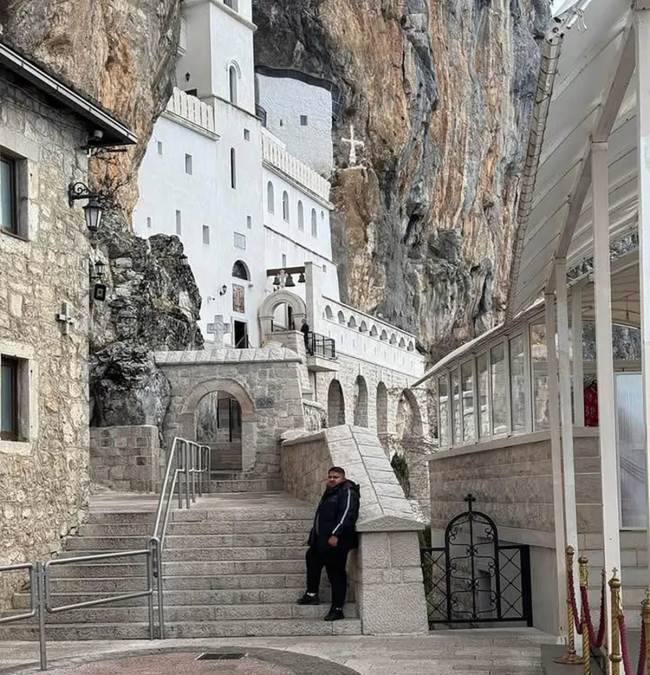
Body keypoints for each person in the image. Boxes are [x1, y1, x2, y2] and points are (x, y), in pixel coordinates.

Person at [296, 466, 360, 621]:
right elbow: (321, 515)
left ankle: (337, 609)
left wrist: (335, 534)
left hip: (337, 541)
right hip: (322, 540)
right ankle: (312, 594)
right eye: (330, 476)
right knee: (312, 558)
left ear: (343, 478)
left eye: (335, 477)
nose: (332, 479)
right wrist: (314, 535)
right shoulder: (331, 491)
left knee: (335, 573)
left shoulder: (348, 491)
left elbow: (347, 514)